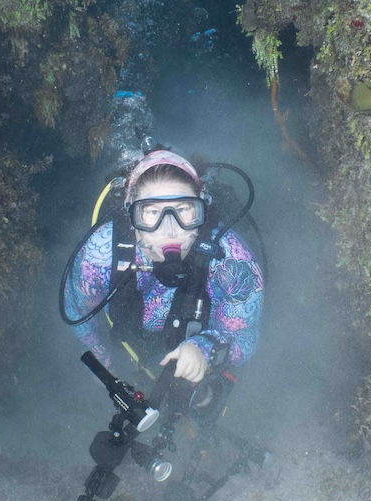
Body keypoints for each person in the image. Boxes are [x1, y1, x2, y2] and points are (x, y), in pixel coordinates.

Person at [63, 149, 264, 407]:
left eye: (184, 210)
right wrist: (102, 359)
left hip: (197, 343)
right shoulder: (97, 257)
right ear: (131, 215)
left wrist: (205, 349)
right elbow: (77, 310)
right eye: (151, 212)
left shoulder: (233, 262)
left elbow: (246, 336)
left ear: (202, 209)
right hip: (132, 341)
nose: (170, 230)